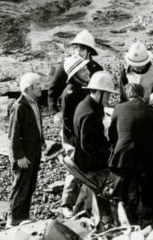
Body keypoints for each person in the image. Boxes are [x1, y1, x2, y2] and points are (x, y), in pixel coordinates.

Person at [108, 83, 153, 223]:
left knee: (121, 190)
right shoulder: (152, 111)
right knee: (148, 188)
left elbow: (112, 134)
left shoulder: (119, 108)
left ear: (127, 94)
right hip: (147, 157)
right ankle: (147, 217)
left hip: (123, 155)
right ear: (143, 95)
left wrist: (115, 147)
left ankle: (122, 219)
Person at [73, 71, 117, 222]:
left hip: (82, 158)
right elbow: (88, 146)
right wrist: (108, 157)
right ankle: (97, 215)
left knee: (89, 186)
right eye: (108, 95)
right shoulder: (90, 113)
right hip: (89, 163)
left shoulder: (87, 104)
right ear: (99, 92)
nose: (109, 98)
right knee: (107, 183)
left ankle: (78, 210)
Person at [7, 73, 45, 227]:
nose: (41, 87)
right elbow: (13, 135)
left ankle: (24, 216)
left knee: (30, 185)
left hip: (34, 151)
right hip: (24, 155)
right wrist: (19, 156)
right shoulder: (19, 107)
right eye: (38, 84)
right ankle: (13, 219)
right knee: (20, 186)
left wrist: (42, 142)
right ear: (29, 88)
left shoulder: (34, 102)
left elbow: (37, 125)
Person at [58, 56, 90, 218]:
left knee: (84, 167)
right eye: (83, 70)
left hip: (81, 135)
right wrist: (76, 140)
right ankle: (66, 204)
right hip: (73, 137)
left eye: (86, 69)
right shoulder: (70, 93)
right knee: (74, 169)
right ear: (75, 74)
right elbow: (68, 121)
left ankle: (81, 201)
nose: (87, 72)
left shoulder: (83, 87)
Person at [47, 29, 103, 112]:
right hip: (70, 109)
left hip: (90, 110)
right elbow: (53, 88)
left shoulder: (96, 68)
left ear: (89, 51)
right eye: (76, 48)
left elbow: (100, 92)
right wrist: (54, 112)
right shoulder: (66, 65)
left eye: (81, 49)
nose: (78, 52)